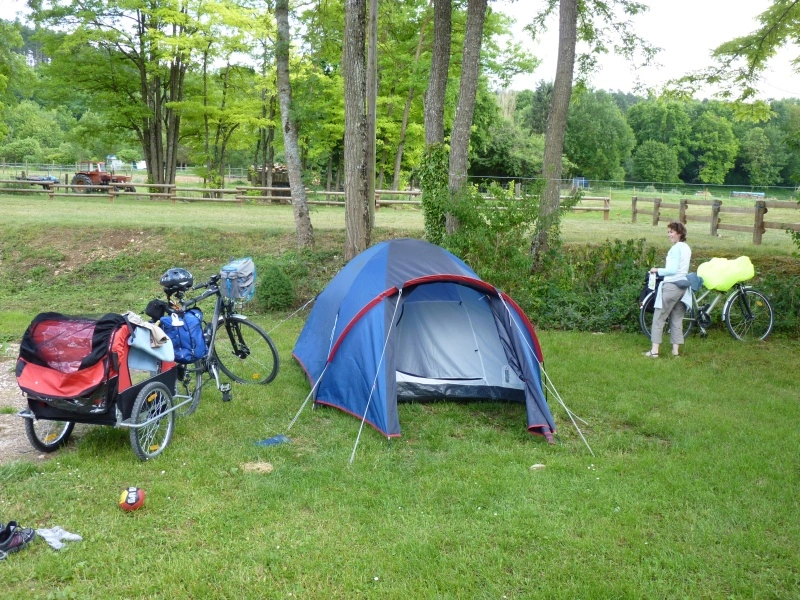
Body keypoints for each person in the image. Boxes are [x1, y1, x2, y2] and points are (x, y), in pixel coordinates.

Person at [644, 221, 691, 358]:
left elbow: (672, 270)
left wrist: (656, 270)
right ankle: (675, 352)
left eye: (671, 232)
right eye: (668, 232)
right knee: (676, 319)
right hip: (683, 287)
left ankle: (654, 351)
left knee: (659, 318)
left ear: (679, 233)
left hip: (671, 286)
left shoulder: (676, 248)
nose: (669, 235)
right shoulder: (687, 248)